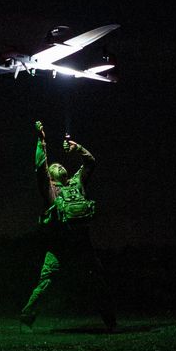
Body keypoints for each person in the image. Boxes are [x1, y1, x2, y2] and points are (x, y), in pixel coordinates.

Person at [19, 120, 117, 332]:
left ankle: (110, 321)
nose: (56, 165)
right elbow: (43, 167)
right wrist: (45, 143)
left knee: (83, 282)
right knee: (68, 282)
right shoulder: (62, 188)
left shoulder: (65, 186)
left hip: (70, 246)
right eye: (55, 166)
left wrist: (69, 147)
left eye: (57, 165)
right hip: (70, 246)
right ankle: (27, 317)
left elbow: (88, 162)